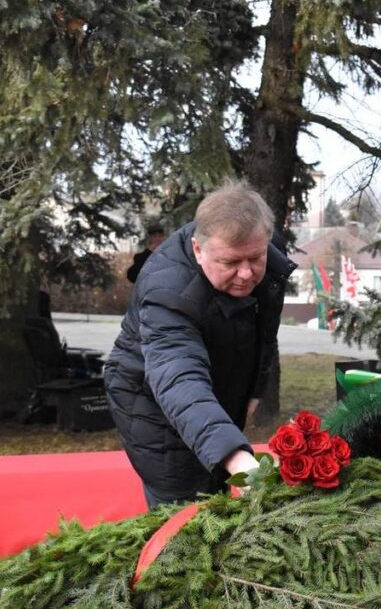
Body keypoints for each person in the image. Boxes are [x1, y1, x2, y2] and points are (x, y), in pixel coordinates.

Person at [105, 183, 297, 508]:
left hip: (216, 383)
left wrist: (255, 388)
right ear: (198, 249)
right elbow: (178, 377)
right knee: (185, 505)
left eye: (255, 257)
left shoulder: (262, 247)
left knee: (216, 487)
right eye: (231, 262)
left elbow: (264, 328)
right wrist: (236, 458)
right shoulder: (166, 291)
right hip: (153, 403)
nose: (247, 273)